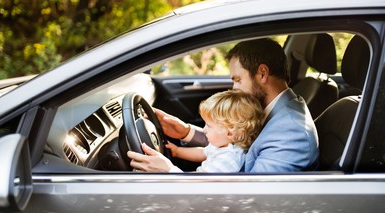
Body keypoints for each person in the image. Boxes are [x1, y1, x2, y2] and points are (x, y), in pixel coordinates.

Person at [127, 38, 319, 172]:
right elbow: (236, 141)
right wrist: (186, 132)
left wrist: (169, 173)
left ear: (262, 74)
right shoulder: (276, 110)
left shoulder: (291, 133)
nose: (234, 88)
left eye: (237, 80)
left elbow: (253, 200)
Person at [166, 89, 264, 172]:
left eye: (209, 126)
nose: (204, 130)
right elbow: (203, 153)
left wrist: (169, 169)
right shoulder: (223, 145)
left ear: (229, 133)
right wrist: (177, 151)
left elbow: (198, 184)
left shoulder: (228, 159)